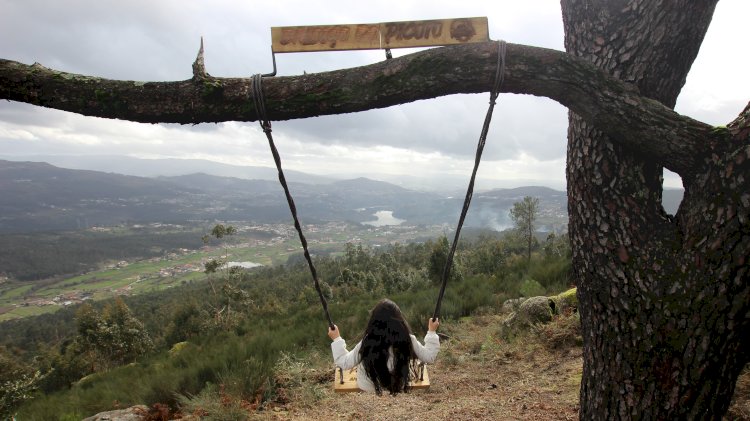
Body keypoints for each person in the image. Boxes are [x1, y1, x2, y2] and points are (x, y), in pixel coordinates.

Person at [328, 298, 440, 394]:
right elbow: (429, 356)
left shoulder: (368, 341)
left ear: (374, 322)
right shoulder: (408, 339)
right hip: (398, 384)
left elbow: (344, 362)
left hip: (368, 387)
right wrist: (431, 331)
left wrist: (336, 338)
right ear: (399, 320)